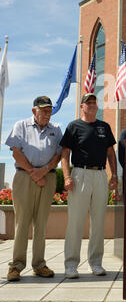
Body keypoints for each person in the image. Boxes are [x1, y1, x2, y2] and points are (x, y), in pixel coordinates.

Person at [60, 93, 118, 279]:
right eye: (88, 102)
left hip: (100, 174)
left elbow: (110, 153)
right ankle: (71, 265)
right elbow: (64, 153)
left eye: (94, 102)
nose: (92, 105)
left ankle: (96, 263)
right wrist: (67, 177)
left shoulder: (104, 127)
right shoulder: (73, 126)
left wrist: (114, 175)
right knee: (75, 222)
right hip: (80, 174)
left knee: (98, 222)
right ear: (82, 106)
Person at [5, 96, 62, 281]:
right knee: (22, 223)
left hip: (48, 177)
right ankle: (16, 266)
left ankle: (39, 264)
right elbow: (16, 152)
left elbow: (59, 155)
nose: (47, 113)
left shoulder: (57, 129)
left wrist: (44, 171)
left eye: (49, 110)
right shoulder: (21, 126)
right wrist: (33, 172)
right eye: (43, 109)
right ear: (33, 110)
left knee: (41, 223)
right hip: (24, 177)